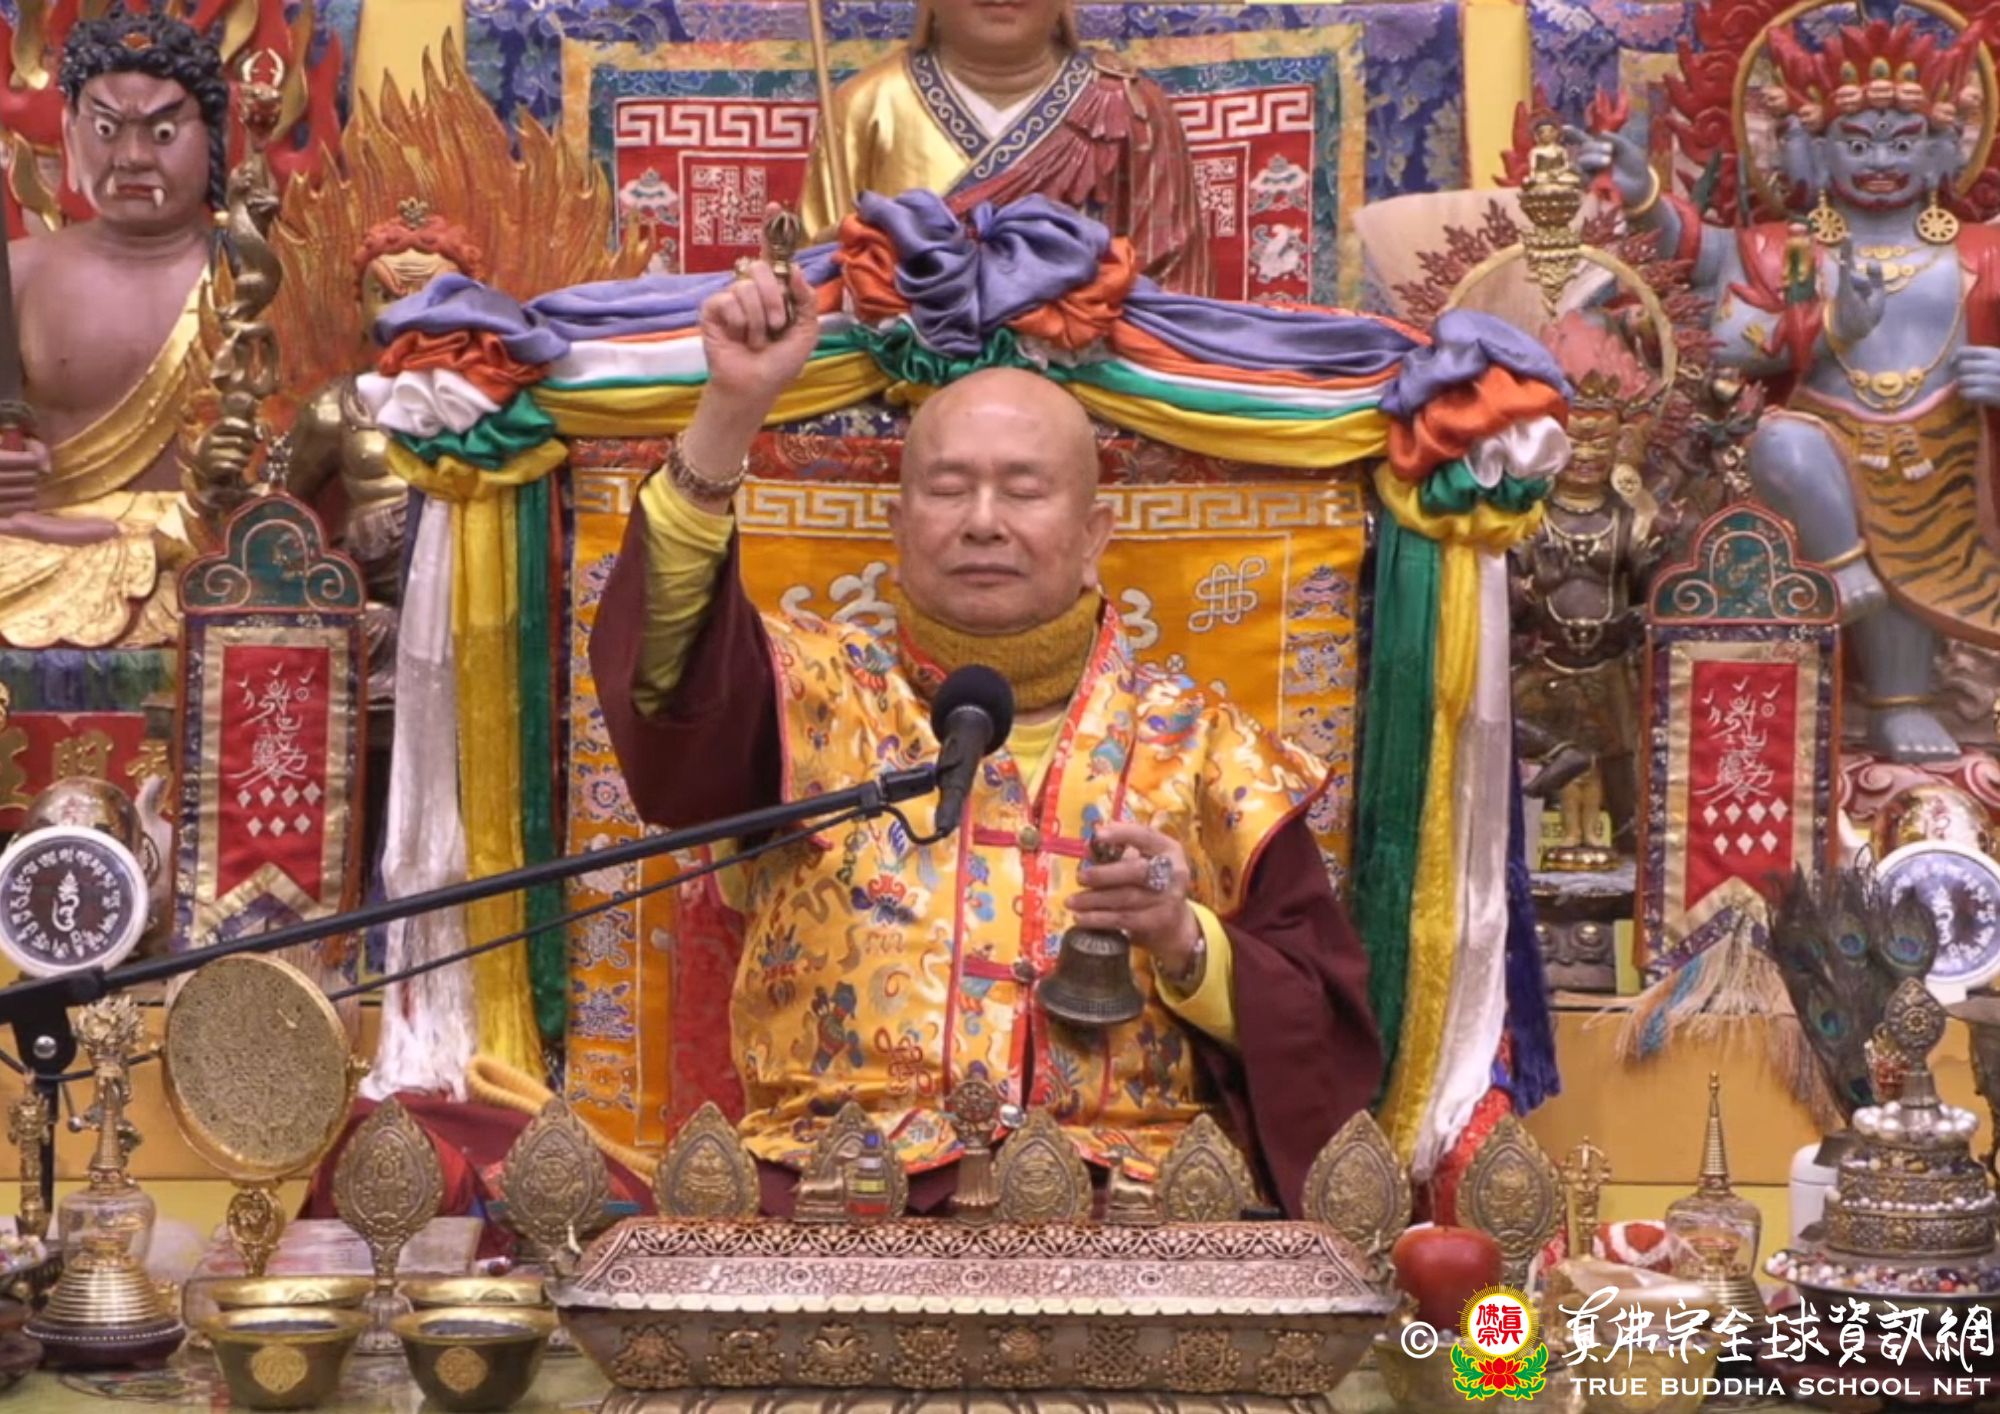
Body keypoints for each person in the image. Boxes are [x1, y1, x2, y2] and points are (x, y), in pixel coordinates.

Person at [587, 251, 1381, 1217]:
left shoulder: (1210, 753)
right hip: (839, 1203)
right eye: (948, 488)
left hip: (1128, 1215)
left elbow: (1328, 1036)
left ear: (1094, 536)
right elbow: (668, 688)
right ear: (897, 525)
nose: (983, 522)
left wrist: (1185, 942)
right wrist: (732, 410)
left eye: (1024, 490)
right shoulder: (806, 695)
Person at [0, 11, 224, 649]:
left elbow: (318, 436)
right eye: (105, 129)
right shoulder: (19, 273)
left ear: (214, 137)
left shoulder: (262, 276)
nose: (132, 158)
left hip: (211, 553)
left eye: (163, 131)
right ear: (69, 135)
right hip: (44, 550)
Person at [800, 0, 1210, 295]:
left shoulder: (1125, 106)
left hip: (1086, 366)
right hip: (902, 365)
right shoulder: (866, 104)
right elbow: (816, 283)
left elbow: (1174, 289)